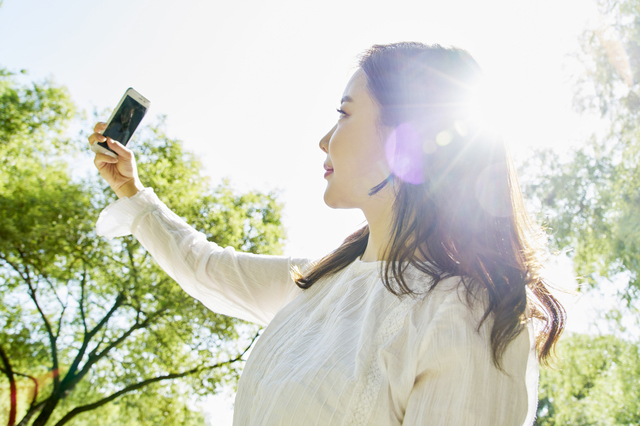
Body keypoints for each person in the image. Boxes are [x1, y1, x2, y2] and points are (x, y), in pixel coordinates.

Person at [89, 42, 565, 425]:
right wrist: (133, 191)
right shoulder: (320, 284)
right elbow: (209, 269)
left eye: (344, 113)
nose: (323, 140)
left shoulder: (471, 316)